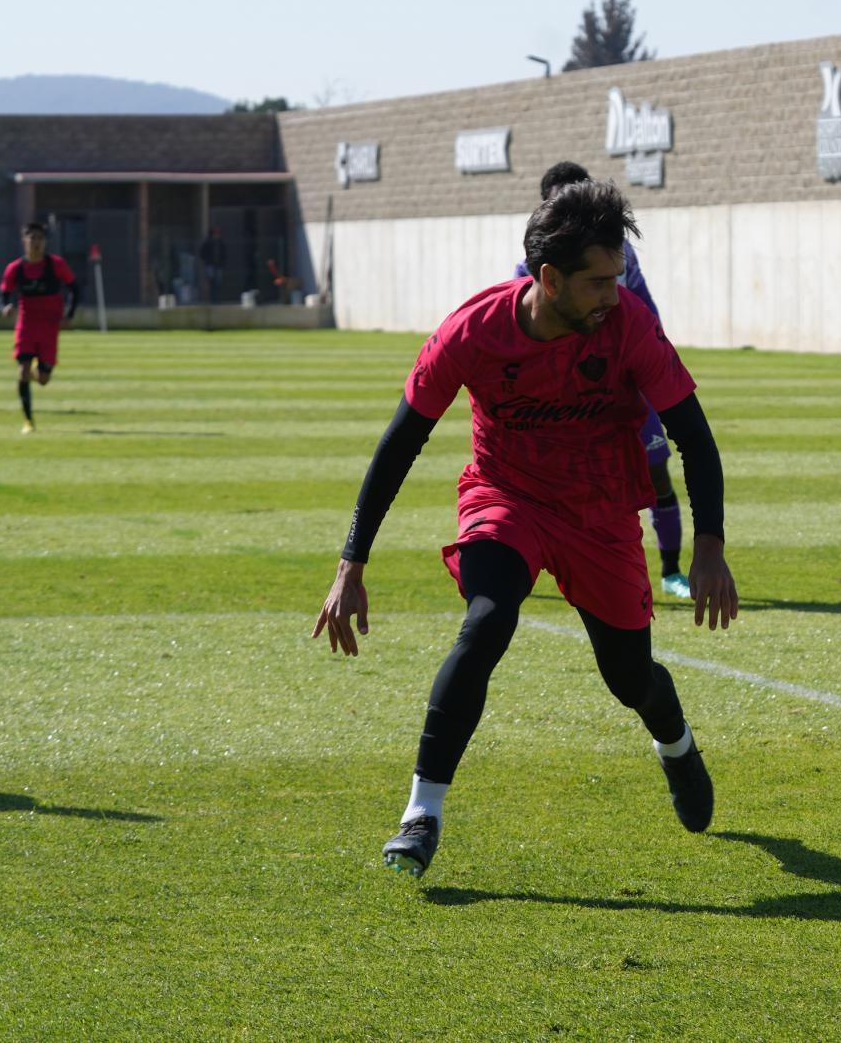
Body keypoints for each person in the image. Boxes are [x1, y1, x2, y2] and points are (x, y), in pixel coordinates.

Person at [312, 179, 739, 880]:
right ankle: (421, 813)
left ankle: (677, 742)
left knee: (630, 677)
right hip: (505, 495)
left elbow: (694, 433)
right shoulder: (471, 332)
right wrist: (350, 563)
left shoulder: (629, 323)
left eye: (618, 277)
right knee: (487, 619)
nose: (614, 293)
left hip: (600, 509)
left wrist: (711, 546)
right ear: (550, 278)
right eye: (599, 281)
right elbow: (400, 442)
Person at [515, 161, 692, 600]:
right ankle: (531, 560)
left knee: (657, 473)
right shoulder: (530, 269)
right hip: (568, 396)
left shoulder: (619, 256)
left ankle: (671, 571)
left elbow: (647, 313)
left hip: (625, 384)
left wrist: (649, 364)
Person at [0, 222, 78, 435]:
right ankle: (28, 420)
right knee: (22, 371)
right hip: (26, 325)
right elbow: (4, 292)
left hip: (50, 327)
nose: (35, 243)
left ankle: (37, 372)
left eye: (39, 239)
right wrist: (5, 306)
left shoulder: (57, 265)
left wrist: (69, 315)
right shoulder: (15, 268)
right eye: (31, 238)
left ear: (45, 242)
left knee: (43, 380)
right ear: (24, 241)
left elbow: (75, 288)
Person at [199, 227, 227, 300]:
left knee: (218, 282)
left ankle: (217, 298)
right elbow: (202, 253)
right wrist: (206, 260)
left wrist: (222, 262)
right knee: (211, 282)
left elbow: (224, 254)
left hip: (219, 265)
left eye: (218, 233)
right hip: (210, 265)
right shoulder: (207, 242)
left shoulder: (220, 243)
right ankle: (212, 298)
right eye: (215, 233)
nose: (217, 235)